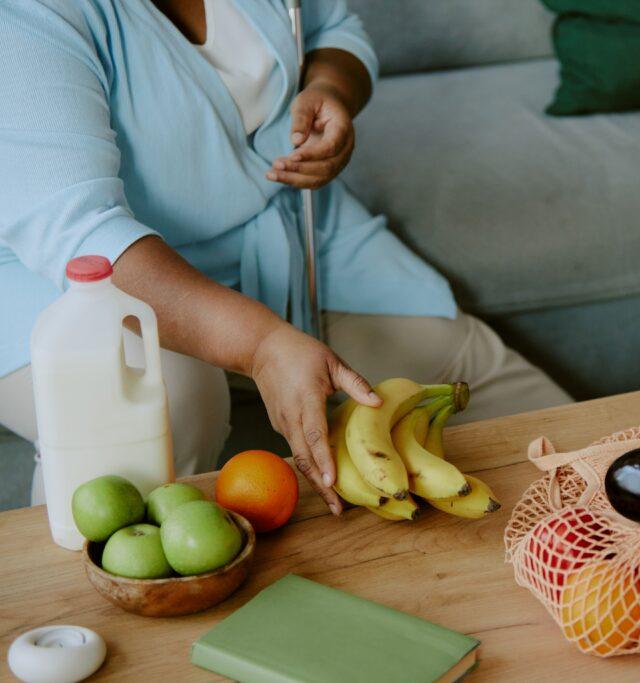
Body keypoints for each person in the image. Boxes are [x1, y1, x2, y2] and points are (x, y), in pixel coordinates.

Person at [0, 1, 570, 513]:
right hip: (66, 280)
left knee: (460, 367)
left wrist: (332, 90)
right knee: (165, 402)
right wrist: (261, 344)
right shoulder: (28, 16)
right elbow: (75, 231)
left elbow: (335, 30)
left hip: (296, 244)